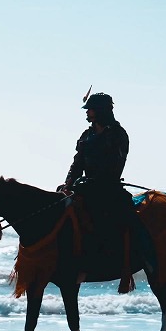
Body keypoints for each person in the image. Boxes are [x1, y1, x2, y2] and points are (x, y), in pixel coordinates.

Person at [58, 92, 137, 280]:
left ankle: (99, 259)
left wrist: (89, 183)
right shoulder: (87, 135)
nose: (87, 113)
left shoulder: (118, 134)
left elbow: (115, 165)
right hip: (85, 186)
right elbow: (77, 164)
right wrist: (68, 184)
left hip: (108, 188)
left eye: (91, 110)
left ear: (101, 111)